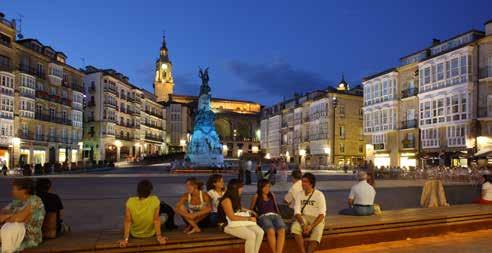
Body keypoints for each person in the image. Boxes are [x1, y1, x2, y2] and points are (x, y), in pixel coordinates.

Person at [218, 179, 264, 253]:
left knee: (260, 232)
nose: (242, 189)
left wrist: (250, 211)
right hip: (227, 224)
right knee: (251, 235)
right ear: (235, 188)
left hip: (237, 222)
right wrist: (249, 218)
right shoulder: (226, 200)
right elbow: (232, 217)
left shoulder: (236, 197)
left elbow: (239, 208)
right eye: (241, 187)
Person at [0, 178, 45, 253]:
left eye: (14, 189)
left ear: (24, 190)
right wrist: (11, 217)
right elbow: (2, 213)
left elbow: (19, 218)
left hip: (28, 237)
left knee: (11, 229)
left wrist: (7, 217)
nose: (12, 191)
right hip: (12, 232)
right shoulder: (17, 201)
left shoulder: (35, 200)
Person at [119, 180, 167, 248]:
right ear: (150, 191)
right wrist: (159, 237)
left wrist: (125, 239)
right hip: (150, 234)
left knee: (128, 218)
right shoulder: (155, 199)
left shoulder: (130, 201)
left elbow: (128, 221)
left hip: (135, 233)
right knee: (164, 216)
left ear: (138, 190)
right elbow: (156, 219)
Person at [291, 173, 326, 253]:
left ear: (311, 183)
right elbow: (297, 212)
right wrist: (303, 224)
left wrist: (311, 226)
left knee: (317, 233)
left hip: (316, 218)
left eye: (305, 182)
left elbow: (322, 214)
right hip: (304, 217)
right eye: (302, 181)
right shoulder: (299, 194)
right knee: (295, 227)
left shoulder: (319, 195)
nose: (302, 183)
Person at [250, 179, 286, 253]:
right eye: (265, 187)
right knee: (271, 231)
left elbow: (276, 207)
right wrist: (255, 214)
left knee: (282, 230)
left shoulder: (272, 195)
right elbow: (251, 209)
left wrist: (280, 215)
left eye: (269, 187)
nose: (267, 188)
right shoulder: (256, 196)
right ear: (260, 187)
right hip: (264, 216)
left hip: (275, 215)